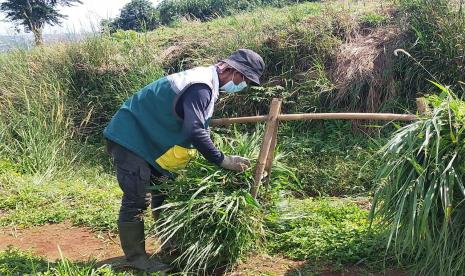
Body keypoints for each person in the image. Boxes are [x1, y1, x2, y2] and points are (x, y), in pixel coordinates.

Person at [104, 49, 265, 272]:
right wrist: (223, 160)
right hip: (131, 137)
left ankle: (170, 245)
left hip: (151, 140)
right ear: (231, 70)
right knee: (137, 199)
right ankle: (136, 258)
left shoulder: (207, 83)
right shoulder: (201, 86)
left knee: (164, 190)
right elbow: (195, 131)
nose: (242, 85)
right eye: (244, 79)